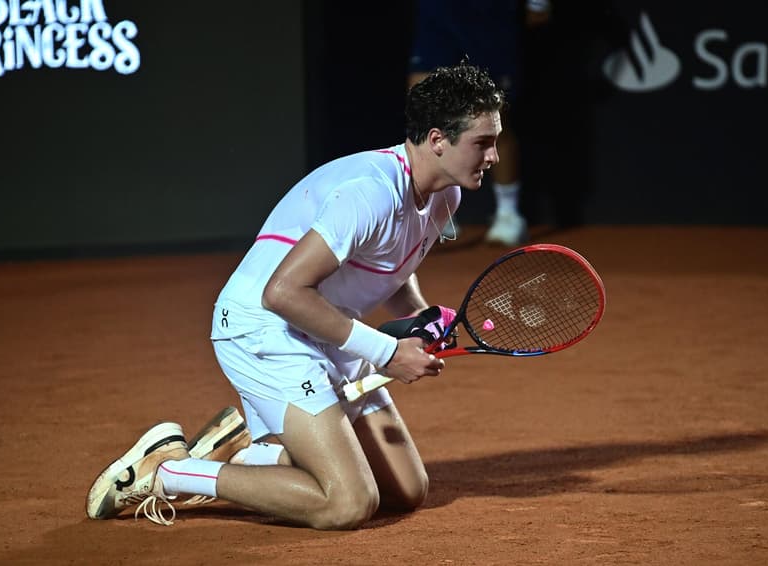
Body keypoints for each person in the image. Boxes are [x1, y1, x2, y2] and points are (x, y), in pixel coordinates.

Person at [85, 62, 505, 529]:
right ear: (437, 139)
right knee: (347, 503)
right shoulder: (371, 193)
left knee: (406, 490)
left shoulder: (444, 195)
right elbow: (281, 292)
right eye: (482, 142)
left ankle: (260, 456)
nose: (494, 156)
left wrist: (421, 316)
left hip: (324, 325)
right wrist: (386, 351)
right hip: (263, 328)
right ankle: (169, 472)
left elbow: (390, 266)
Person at [407, 0, 551, 246]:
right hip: (438, 12)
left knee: (492, 117)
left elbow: (538, 15)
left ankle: (508, 215)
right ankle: (437, 208)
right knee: (425, 109)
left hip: (488, 16)